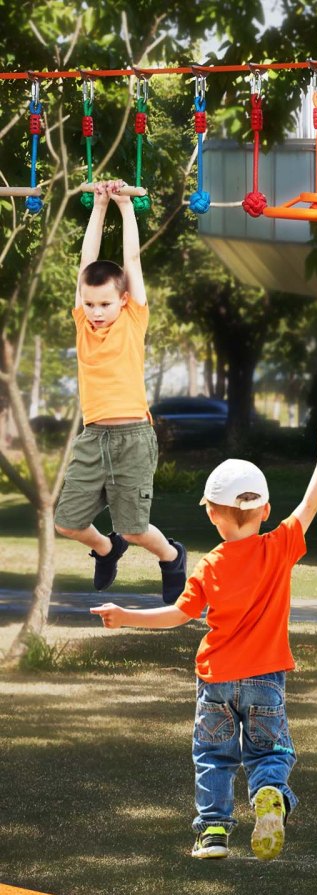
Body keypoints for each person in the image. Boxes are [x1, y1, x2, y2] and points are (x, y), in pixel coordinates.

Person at [90, 414, 317, 861]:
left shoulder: (210, 565)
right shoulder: (279, 546)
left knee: (213, 757)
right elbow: (312, 501)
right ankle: (269, 793)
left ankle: (213, 833)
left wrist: (126, 616)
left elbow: (178, 615)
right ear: (265, 511)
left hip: (217, 680)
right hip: (265, 678)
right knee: (270, 751)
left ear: (211, 513)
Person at [54, 179, 187, 603]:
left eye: (105, 304)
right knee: (67, 522)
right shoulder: (82, 323)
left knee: (134, 528)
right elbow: (86, 262)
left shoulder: (133, 318)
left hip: (132, 437)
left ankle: (171, 557)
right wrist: (98, 207)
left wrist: (125, 207)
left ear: (124, 300)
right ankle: (106, 549)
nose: (95, 312)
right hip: (93, 437)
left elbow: (131, 259)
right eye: (90, 304)